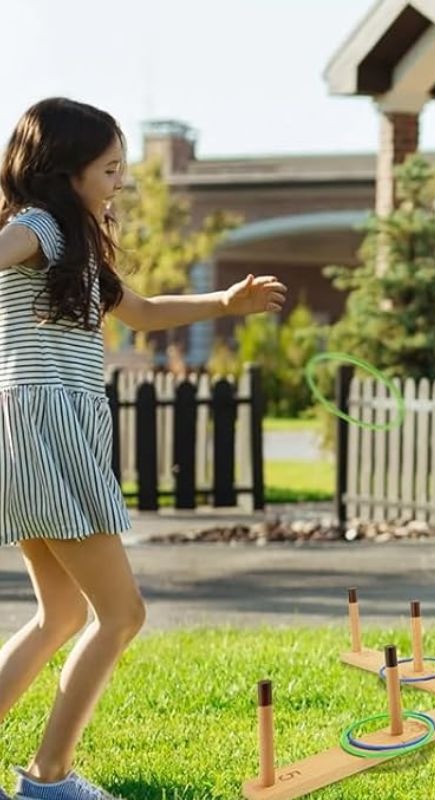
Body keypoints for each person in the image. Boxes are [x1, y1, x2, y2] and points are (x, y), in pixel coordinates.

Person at [0, 98, 287, 799]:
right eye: (110, 168)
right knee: (121, 614)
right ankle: (49, 779)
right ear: (64, 171)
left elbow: (147, 313)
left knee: (63, 615)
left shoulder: (77, 245)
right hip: (44, 433)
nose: (121, 180)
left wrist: (224, 303)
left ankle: (47, 778)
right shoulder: (36, 226)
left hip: (51, 433)